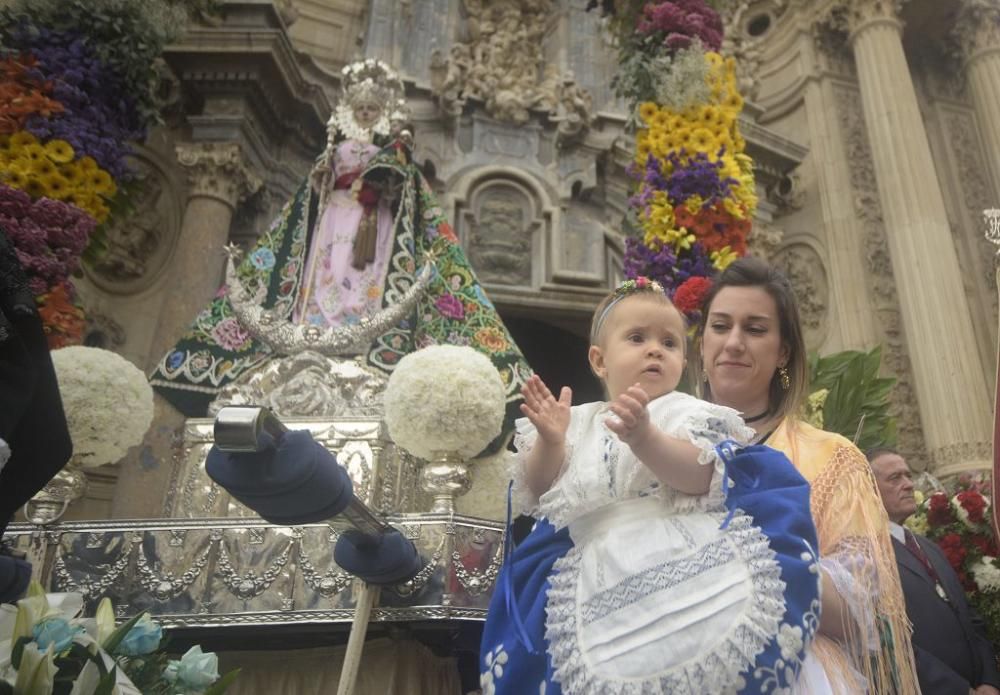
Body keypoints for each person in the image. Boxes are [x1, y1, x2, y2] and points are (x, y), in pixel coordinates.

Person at [481, 277, 823, 694]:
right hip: (597, 570)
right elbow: (538, 493)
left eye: (670, 342)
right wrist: (551, 442)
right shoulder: (579, 422)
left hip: (680, 548)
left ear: (683, 360)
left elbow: (702, 476)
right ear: (599, 360)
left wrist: (646, 438)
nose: (655, 349)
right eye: (637, 338)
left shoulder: (686, 411)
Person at [149, 59, 529, 425]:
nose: (365, 113)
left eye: (371, 108)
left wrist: (391, 167)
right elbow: (318, 186)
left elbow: (403, 187)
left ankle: (358, 318)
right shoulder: (337, 149)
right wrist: (325, 180)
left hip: (373, 222)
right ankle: (317, 320)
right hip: (335, 216)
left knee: (365, 271)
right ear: (350, 111)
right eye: (360, 107)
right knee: (328, 265)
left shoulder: (390, 150)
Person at [696, 256, 920, 693]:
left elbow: (855, 612)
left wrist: (740, 561)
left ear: (783, 350)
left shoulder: (833, 456)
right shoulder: (655, 441)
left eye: (755, 329)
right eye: (720, 326)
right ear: (701, 341)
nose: (734, 342)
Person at [868, 447, 1000, 695]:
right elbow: (889, 642)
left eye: (908, 475)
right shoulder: (866, 557)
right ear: (868, 490)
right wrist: (960, 691)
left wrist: (990, 680)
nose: (908, 484)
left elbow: (970, 617)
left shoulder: (929, 546)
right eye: (895, 478)